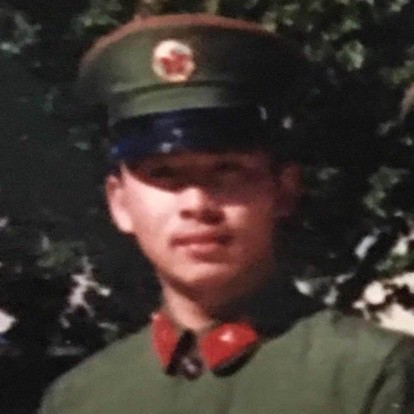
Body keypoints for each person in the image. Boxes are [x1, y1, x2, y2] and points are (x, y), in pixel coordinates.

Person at [39, 13, 414, 414]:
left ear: (282, 191)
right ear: (120, 203)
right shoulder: (79, 399)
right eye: (163, 174)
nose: (196, 203)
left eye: (228, 170)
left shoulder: (371, 373)